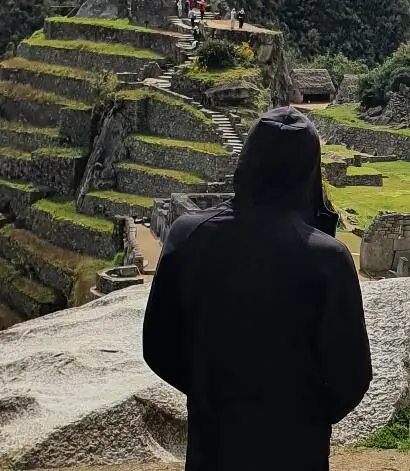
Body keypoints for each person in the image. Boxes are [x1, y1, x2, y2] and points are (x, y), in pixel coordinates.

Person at [143, 106, 372, 471]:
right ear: (310, 173)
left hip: (213, 446)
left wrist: (209, 392)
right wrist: (306, 417)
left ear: (247, 160)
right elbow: (353, 376)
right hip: (296, 451)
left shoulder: (188, 236)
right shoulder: (327, 259)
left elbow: (158, 346)